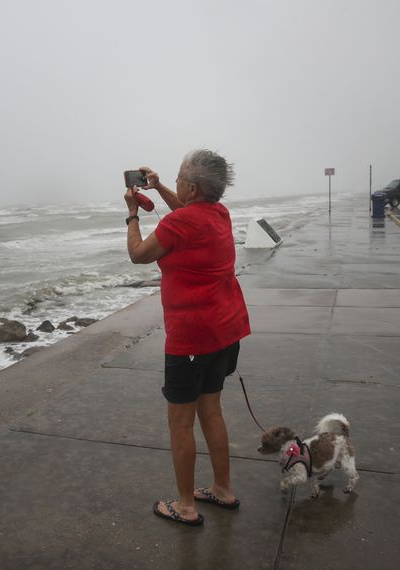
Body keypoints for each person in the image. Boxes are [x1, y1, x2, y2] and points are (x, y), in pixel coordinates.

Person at [123, 149, 251, 526]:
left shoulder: (180, 224)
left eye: (178, 177)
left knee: (181, 423)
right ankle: (224, 490)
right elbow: (185, 208)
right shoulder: (218, 213)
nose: (175, 181)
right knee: (211, 412)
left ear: (192, 187)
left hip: (192, 338)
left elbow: (138, 254)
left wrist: (132, 213)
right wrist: (159, 184)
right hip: (225, 330)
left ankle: (185, 506)